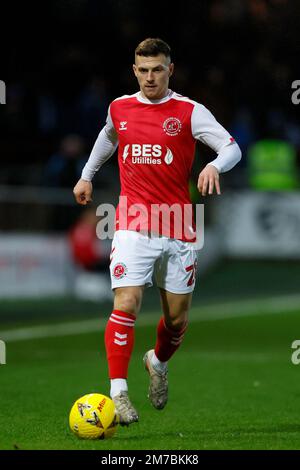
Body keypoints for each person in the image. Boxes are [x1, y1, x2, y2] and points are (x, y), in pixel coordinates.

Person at [73, 38, 242, 425]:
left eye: (158, 69)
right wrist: (86, 175)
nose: (150, 77)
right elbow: (107, 136)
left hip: (178, 226)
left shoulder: (189, 111)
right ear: (135, 70)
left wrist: (216, 165)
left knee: (177, 321)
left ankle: (158, 361)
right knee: (126, 303)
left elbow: (231, 148)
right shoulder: (120, 107)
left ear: (171, 69)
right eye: (143, 70)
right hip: (132, 224)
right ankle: (118, 394)